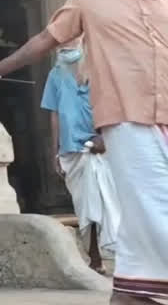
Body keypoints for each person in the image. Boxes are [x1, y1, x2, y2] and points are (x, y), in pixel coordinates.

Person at [0, 0, 168, 304]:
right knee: (153, 204)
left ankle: (132, 290)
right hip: (127, 120)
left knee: (142, 215)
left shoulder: (166, 0)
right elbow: (46, 40)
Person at [41, 38, 120, 274]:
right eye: (61, 40)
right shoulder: (54, 75)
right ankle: (95, 259)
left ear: (82, 40)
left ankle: (123, 259)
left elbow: (111, 104)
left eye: (71, 38)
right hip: (71, 150)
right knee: (86, 209)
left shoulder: (96, 67)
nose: (66, 43)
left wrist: (104, 137)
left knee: (110, 203)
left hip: (101, 146)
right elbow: (54, 115)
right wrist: (54, 151)